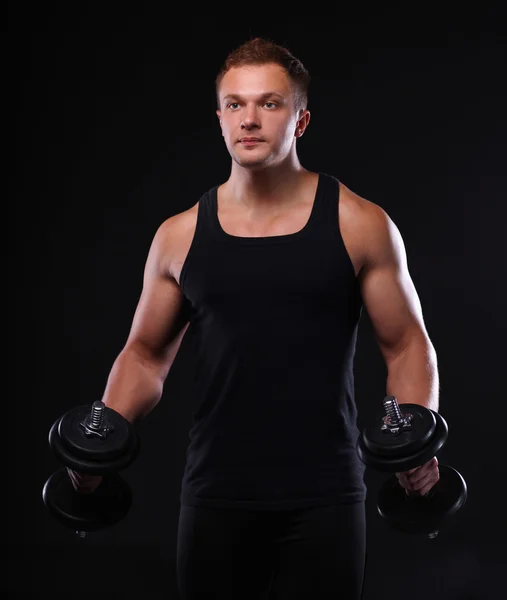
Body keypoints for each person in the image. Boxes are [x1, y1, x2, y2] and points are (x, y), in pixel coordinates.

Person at [69, 38, 441, 599]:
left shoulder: (359, 224)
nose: (249, 119)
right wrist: (100, 438)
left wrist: (415, 436)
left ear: (301, 119)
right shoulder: (180, 235)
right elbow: (145, 355)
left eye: (269, 104)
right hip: (216, 493)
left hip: (326, 495)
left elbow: (407, 345)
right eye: (235, 105)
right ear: (219, 118)